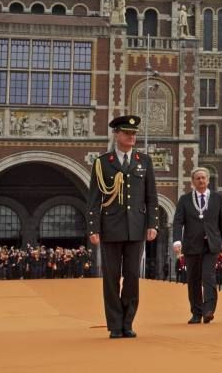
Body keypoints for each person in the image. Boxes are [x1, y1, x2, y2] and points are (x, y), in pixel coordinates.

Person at [86, 115, 158, 339]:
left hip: (136, 226)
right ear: (116, 134)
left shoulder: (143, 161)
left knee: (132, 276)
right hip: (110, 227)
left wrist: (152, 224)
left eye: (134, 133)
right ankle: (115, 324)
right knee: (111, 277)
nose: (132, 137)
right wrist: (93, 228)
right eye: (127, 133)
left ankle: (128, 322)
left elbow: (151, 196)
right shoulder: (102, 162)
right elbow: (94, 198)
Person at [172, 167, 222, 324]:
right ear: (193, 181)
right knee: (193, 279)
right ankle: (196, 312)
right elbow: (178, 222)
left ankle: (208, 310)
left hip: (211, 244)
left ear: (208, 180)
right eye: (197, 178)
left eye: (203, 178)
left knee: (208, 276)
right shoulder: (184, 200)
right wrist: (177, 240)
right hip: (192, 245)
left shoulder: (217, 198)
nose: (201, 180)